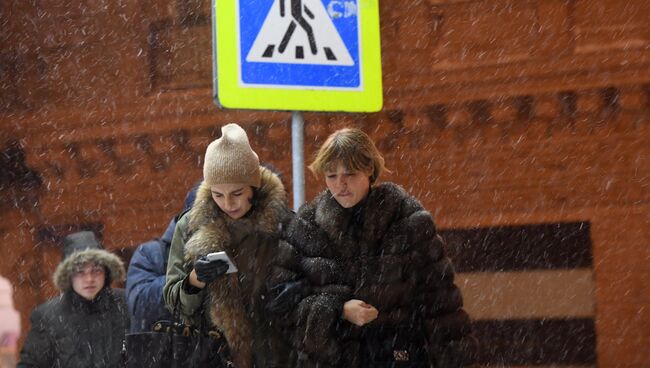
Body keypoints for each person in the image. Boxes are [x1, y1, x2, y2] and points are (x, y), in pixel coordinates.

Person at [276, 128, 476, 367]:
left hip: (397, 356)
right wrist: (337, 309)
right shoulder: (306, 227)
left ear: (369, 169)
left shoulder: (408, 222)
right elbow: (283, 303)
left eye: (349, 173)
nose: (340, 184)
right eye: (331, 176)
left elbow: (441, 305)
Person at [163, 123, 293, 368]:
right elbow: (173, 301)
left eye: (236, 192)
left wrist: (296, 290)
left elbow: (308, 280)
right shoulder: (190, 227)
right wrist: (194, 280)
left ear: (253, 187)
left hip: (277, 353)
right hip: (215, 356)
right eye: (217, 194)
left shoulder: (283, 223)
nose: (228, 203)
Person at [18, 230, 128, 368]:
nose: (89, 279)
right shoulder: (47, 317)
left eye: (96, 270)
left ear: (106, 272)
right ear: (68, 276)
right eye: (80, 272)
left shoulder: (126, 304)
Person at [126, 184, 198, 333]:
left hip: (213, 352)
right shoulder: (150, 253)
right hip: (165, 350)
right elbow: (139, 305)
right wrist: (186, 279)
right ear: (185, 220)